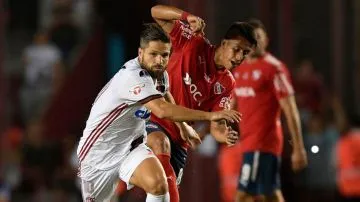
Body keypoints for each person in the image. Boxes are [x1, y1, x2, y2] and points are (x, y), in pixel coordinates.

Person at [76, 23, 241, 202]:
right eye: (153, 54)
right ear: (141, 53)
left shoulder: (160, 74)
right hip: (99, 156)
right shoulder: (131, 76)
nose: (159, 61)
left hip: (131, 147)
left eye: (164, 55)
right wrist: (211, 116)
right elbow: (162, 110)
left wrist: (183, 127)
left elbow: (166, 92)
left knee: (158, 185)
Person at [131, 4, 257, 202]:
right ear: (223, 44)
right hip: (153, 119)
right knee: (158, 144)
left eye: (245, 53)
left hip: (180, 139)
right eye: (237, 49)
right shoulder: (193, 42)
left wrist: (225, 135)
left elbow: (216, 126)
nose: (240, 57)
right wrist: (186, 16)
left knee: (161, 193)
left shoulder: (226, 84)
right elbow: (156, 12)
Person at [231, 19, 307, 202]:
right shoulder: (239, 68)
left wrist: (298, 147)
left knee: (242, 195)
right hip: (248, 141)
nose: (254, 42)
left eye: (258, 37)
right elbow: (231, 105)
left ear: (266, 40)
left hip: (263, 142)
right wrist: (211, 126)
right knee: (270, 194)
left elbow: (290, 109)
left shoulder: (274, 68)